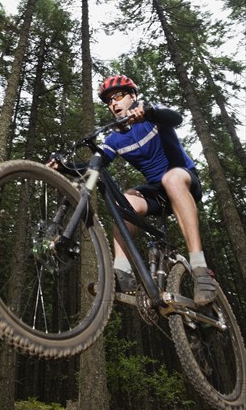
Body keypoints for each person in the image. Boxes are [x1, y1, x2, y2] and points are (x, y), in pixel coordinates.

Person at [49, 74, 217, 307]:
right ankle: (122, 272)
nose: (113, 103)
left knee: (172, 178)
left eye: (117, 96)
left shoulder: (151, 114)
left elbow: (175, 118)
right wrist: (63, 166)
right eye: (109, 101)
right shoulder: (115, 139)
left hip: (184, 180)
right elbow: (93, 167)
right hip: (157, 195)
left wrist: (149, 113)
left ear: (133, 96)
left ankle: (199, 267)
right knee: (124, 201)